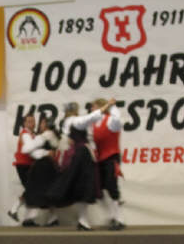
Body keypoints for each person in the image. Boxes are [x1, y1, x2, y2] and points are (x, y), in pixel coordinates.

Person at [47, 98, 116, 230]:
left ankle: (83, 220)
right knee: (85, 186)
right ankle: (83, 220)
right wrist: (107, 105)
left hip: (77, 154)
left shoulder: (67, 122)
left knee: (81, 186)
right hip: (82, 156)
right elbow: (90, 118)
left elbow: (70, 138)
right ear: (74, 110)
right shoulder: (75, 120)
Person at [92, 98, 125, 231]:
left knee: (111, 186)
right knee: (101, 188)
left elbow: (118, 120)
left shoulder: (111, 120)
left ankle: (119, 219)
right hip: (100, 159)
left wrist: (112, 106)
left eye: (94, 107)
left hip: (111, 157)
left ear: (101, 107)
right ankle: (113, 215)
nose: (91, 109)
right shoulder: (93, 124)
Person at [22, 116, 60, 227]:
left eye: (42, 123)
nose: (40, 125)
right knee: (48, 190)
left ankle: (30, 217)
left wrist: (43, 152)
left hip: (43, 166)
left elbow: (25, 149)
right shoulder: (53, 135)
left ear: (47, 125)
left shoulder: (45, 135)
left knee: (36, 190)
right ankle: (53, 218)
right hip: (50, 166)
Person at [8, 114, 36, 222]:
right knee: (31, 189)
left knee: (31, 190)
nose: (32, 123)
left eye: (33, 121)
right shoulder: (24, 134)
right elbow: (30, 150)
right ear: (24, 123)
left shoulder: (32, 134)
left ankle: (26, 218)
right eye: (29, 121)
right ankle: (15, 210)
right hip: (23, 165)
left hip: (28, 165)